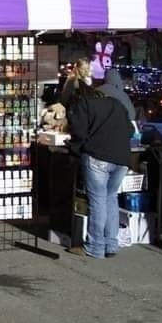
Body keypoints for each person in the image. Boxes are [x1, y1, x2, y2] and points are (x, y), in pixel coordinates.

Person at [67, 80, 132, 259]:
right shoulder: (116, 104)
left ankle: (95, 247)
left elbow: (78, 133)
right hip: (122, 159)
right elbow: (130, 130)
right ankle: (111, 244)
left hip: (97, 157)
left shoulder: (83, 104)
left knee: (97, 201)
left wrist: (74, 150)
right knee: (111, 198)